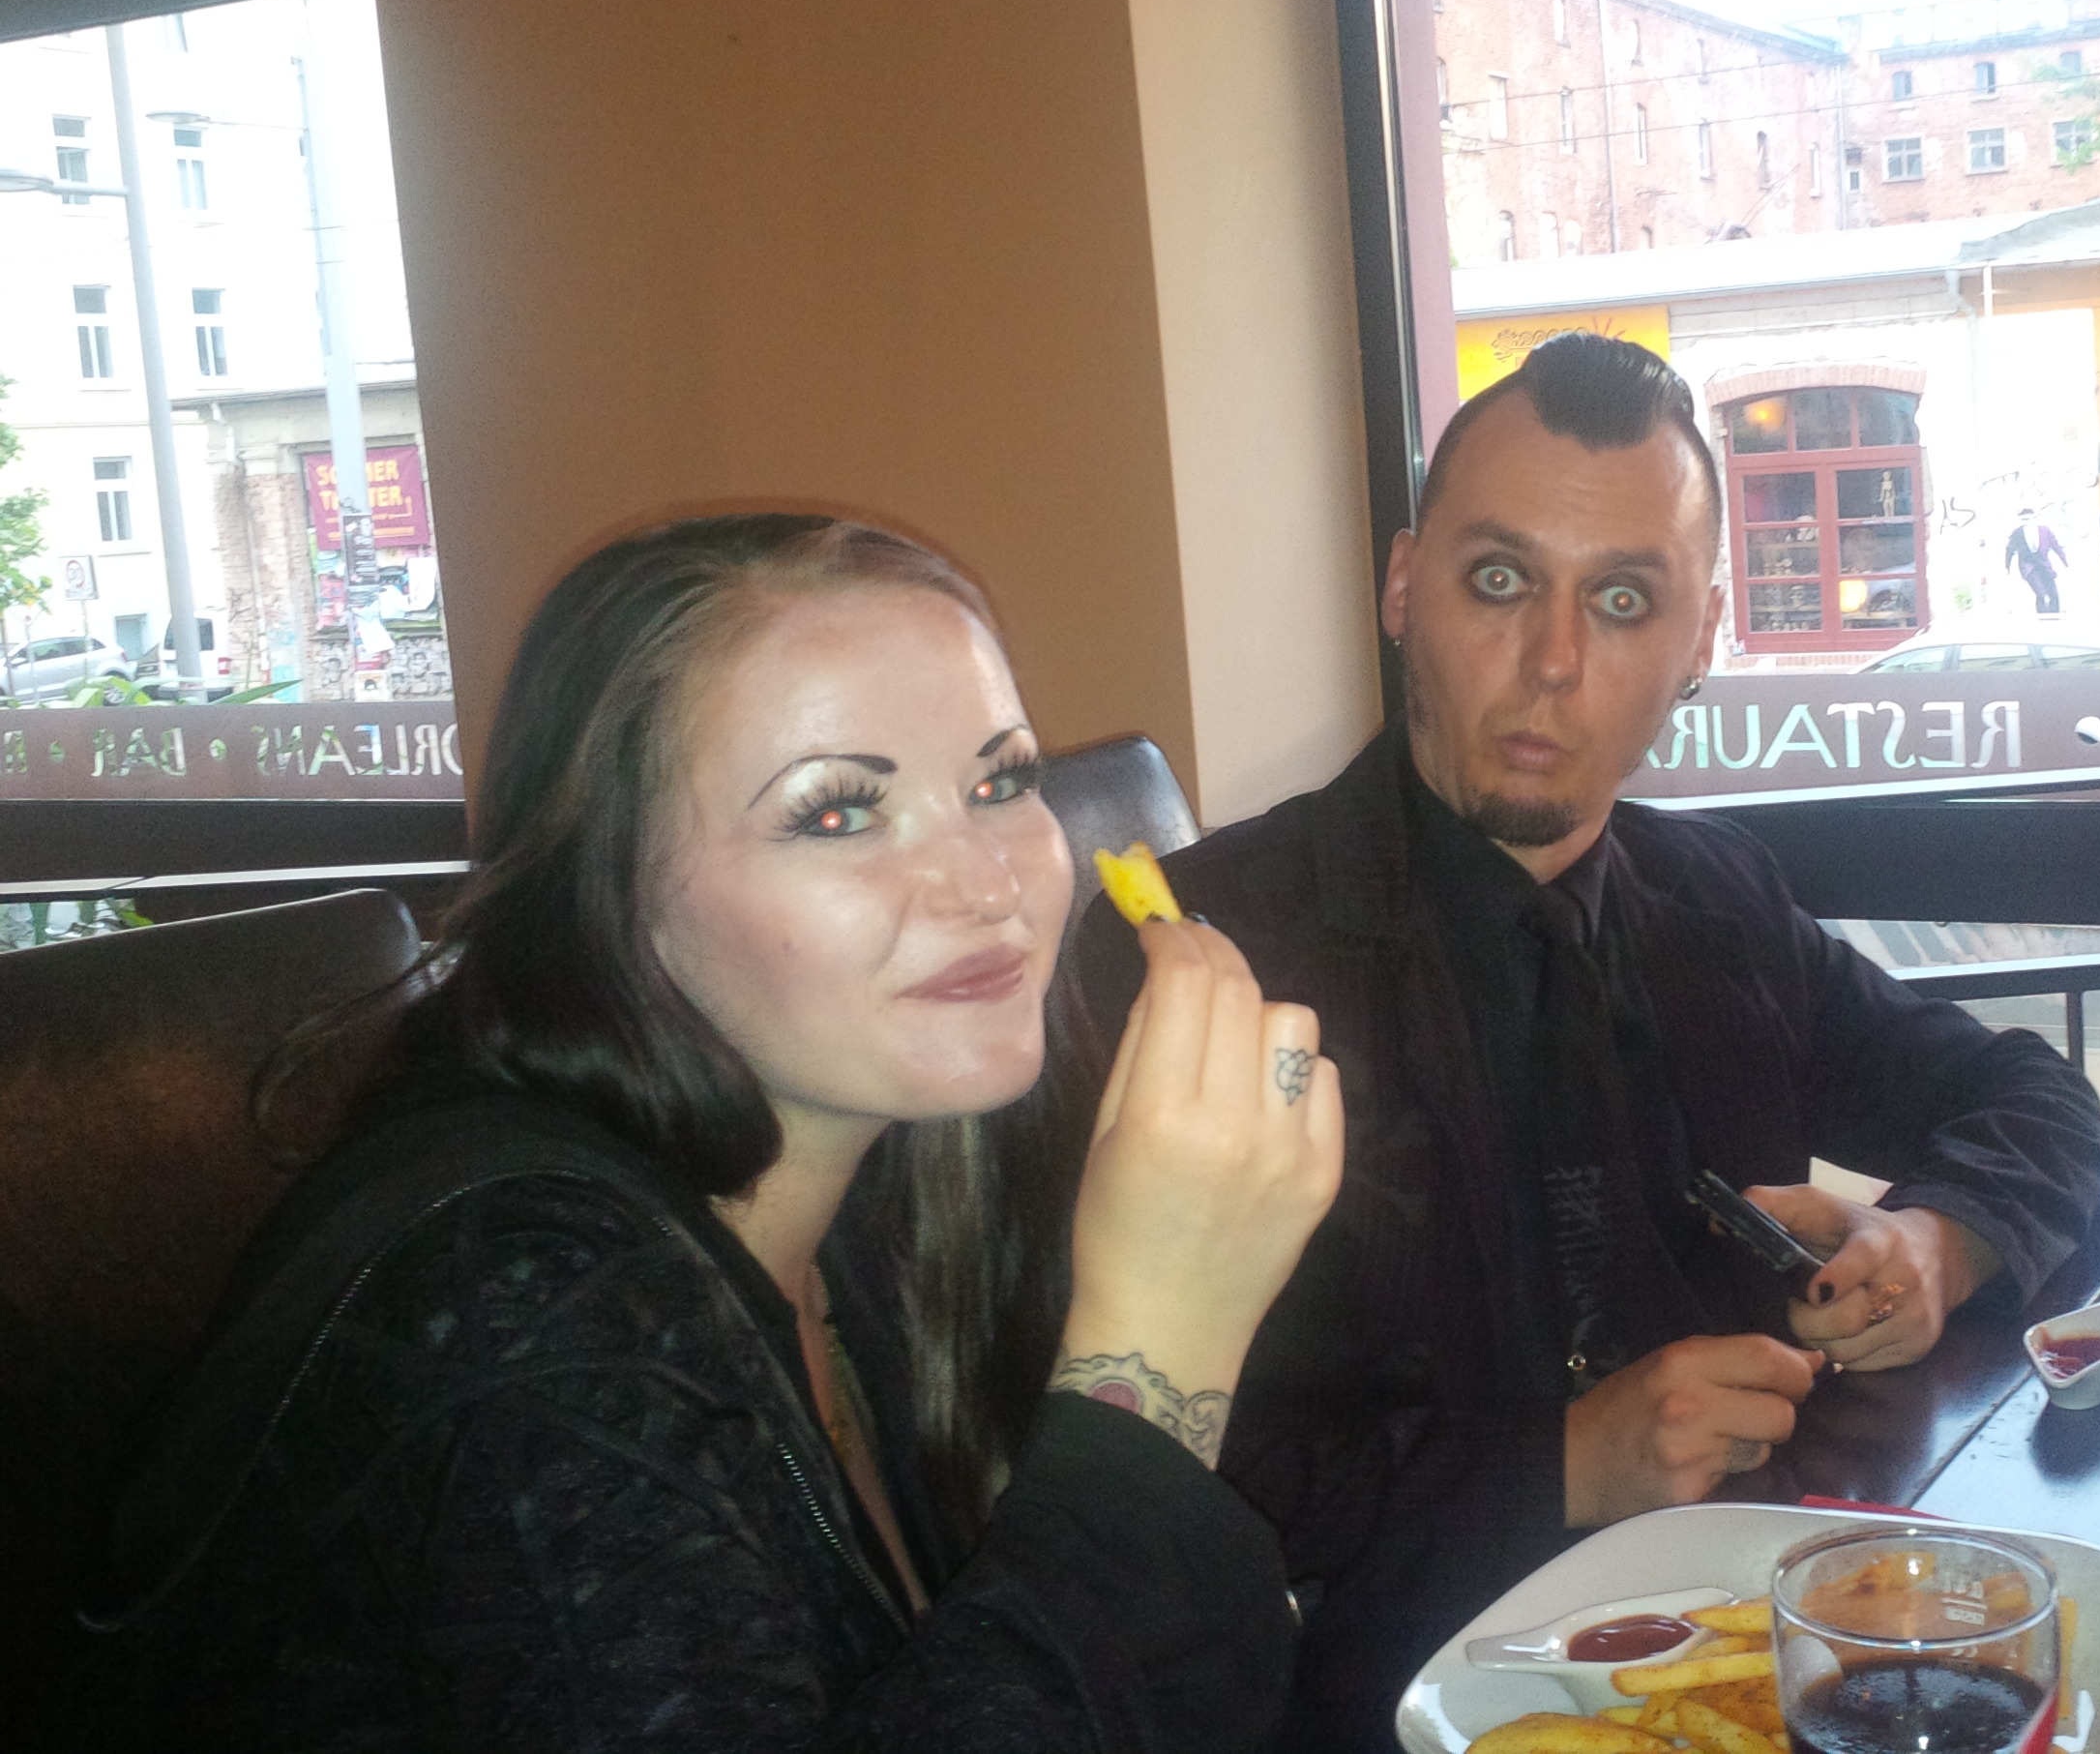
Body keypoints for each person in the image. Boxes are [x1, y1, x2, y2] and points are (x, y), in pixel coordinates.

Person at [74, 516, 1341, 1750]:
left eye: (1001, 781)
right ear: (610, 895)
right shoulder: (517, 1306)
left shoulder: (896, 1173)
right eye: (837, 813)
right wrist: (1158, 1349)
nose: (988, 882)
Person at [1068, 334, 2100, 1751]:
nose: (1553, 662)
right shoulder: (1206, 960)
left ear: (1701, 641)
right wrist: (1562, 1462)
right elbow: (1132, 1471)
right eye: (1500, 582)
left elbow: (2029, 1096)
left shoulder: (1718, 902)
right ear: (1403, 588)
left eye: (1623, 601)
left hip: (1743, 1666)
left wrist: (1940, 1241)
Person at [2004, 508, 2067, 614]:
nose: (2027, 522)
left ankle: (2055, 616)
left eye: (2029, 519)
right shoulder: (2017, 533)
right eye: (2024, 519)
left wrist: (2065, 561)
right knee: (2041, 593)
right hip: (2029, 567)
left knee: (2053, 592)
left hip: (2044, 565)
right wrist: (2007, 567)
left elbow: (2056, 545)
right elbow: (2009, 550)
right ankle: (2043, 616)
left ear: (2034, 518)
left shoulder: (2044, 531)